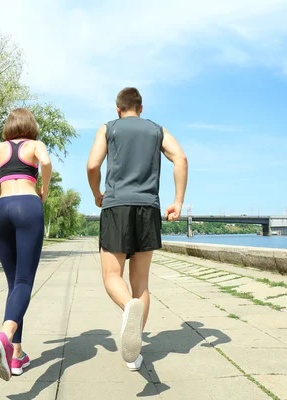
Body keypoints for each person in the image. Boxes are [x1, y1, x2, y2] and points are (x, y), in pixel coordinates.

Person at [86, 87, 188, 370]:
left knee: (111, 275)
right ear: (141, 109)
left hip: (116, 206)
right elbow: (181, 158)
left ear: (118, 108)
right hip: (148, 208)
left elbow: (93, 164)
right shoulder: (157, 130)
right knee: (141, 282)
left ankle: (128, 307)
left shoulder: (109, 128)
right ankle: (134, 352)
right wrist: (178, 201)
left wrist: (97, 193)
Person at [0, 108, 52, 381]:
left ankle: (16, 355)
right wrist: (43, 190)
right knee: (23, 282)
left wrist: (5, 192)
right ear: (31, 126)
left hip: (1, 211)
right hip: (28, 207)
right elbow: (46, 162)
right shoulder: (35, 145)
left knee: (13, 285)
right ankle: (5, 335)